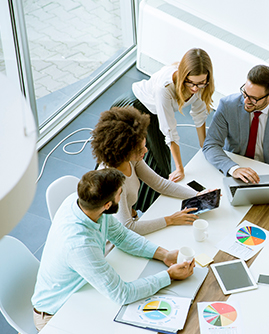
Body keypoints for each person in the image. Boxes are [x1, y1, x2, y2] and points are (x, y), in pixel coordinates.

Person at [32, 168, 194, 331]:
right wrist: (169, 276)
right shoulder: (80, 245)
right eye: (120, 192)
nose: (122, 194)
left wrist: (164, 254)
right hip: (56, 315)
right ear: (108, 204)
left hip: (83, 291)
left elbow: (121, 236)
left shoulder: (82, 202)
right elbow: (123, 294)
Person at [112, 48, 215, 211]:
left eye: (202, 83)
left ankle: (143, 205)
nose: (196, 88)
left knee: (157, 164)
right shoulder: (165, 87)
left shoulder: (201, 84)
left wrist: (205, 148)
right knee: (154, 165)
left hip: (151, 113)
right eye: (192, 83)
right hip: (135, 108)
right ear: (183, 76)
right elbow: (169, 131)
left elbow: (200, 115)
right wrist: (180, 168)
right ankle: (137, 208)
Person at [91, 107, 200, 240]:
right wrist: (171, 219)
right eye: (139, 149)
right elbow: (128, 227)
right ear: (122, 150)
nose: (146, 150)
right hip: (109, 237)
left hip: (129, 222)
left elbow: (160, 184)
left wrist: (198, 195)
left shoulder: (130, 160)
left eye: (144, 144)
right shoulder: (111, 181)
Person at [203, 65, 269, 184]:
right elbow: (210, 145)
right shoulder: (227, 106)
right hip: (236, 164)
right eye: (245, 93)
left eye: (253, 98)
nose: (246, 101)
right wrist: (233, 169)